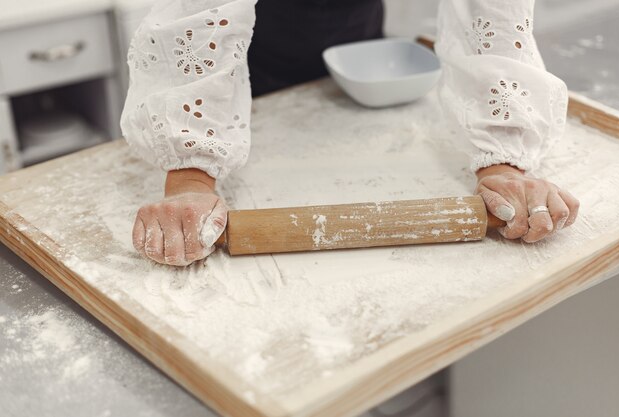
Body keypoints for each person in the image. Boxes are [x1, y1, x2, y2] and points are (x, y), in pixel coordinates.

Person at [122, 0, 579, 266]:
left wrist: (503, 156)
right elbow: (198, 13)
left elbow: (490, 12)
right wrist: (190, 173)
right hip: (243, 45)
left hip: (349, 32)